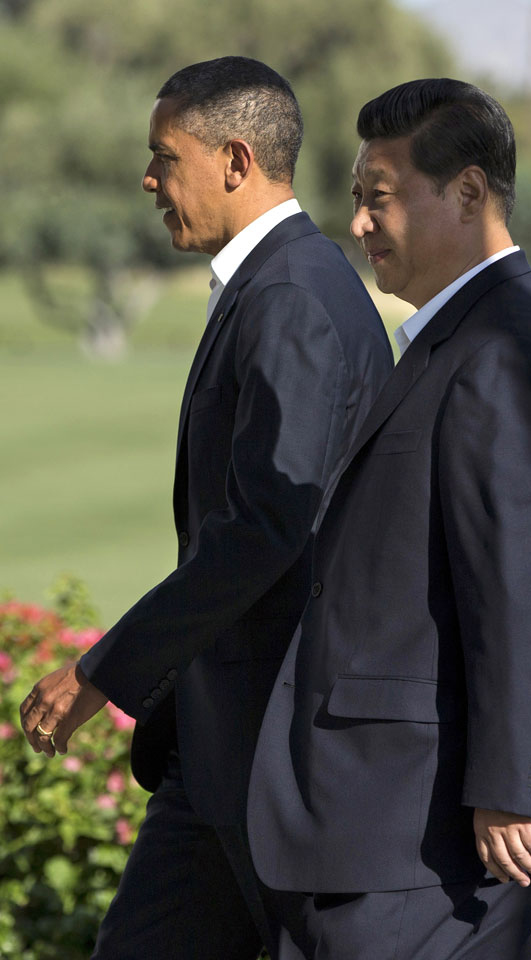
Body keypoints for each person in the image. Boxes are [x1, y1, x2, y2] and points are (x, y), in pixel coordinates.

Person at [19, 56, 393, 959]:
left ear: (233, 159)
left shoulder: (293, 295)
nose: (149, 180)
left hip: (278, 753)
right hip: (228, 748)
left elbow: (266, 527)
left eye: (164, 157)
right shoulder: (277, 283)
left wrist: (103, 668)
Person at [248, 78, 531, 959]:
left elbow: (525, 585)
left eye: (379, 200)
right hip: (387, 828)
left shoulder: (502, 347)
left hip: (436, 839)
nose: (359, 226)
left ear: (469, 193)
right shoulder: (463, 337)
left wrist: (511, 789)